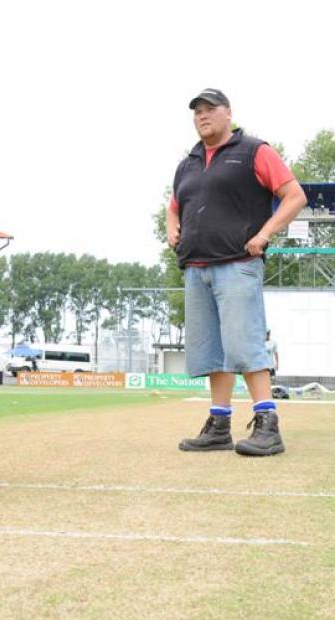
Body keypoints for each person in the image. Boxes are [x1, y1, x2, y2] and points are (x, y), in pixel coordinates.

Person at [167, 88, 307, 456]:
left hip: (237, 263)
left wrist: (263, 234)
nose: (202, 115)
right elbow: (174, 205)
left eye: (209, 109)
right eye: (196, 111)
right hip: (197, 267)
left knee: (244, 344)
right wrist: (171, 225)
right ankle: (219, 425)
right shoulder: (188, 163)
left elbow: (295, 196)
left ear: (228, 113)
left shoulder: (254, 151)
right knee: (211, 351)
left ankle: (267, 424)